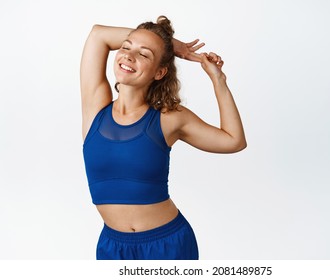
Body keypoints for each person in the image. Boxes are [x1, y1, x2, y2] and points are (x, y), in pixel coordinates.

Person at [80, 15, 246, 260]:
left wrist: (218, 80)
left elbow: (234, 140)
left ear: (160, 72)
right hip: (113, 247)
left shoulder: (169, 118)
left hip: (167, 245)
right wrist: (173, 45)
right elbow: (98, 35)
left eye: (144, 54)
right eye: (126, 47)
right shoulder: (95, 107)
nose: (129, 55)